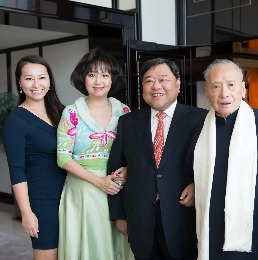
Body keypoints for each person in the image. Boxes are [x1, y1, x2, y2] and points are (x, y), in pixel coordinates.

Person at [108, 57, 208, 260]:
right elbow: (116, 169)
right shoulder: (128, 123)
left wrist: (199, 184)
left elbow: (213, 163)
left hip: (184, 217)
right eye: (149, 80)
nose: (156, 86)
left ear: (178, 84)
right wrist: (119, 215)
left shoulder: (201, 119)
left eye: (163, 79)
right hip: (141, 219)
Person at [57, 48, 134, 260]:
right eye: (92, 74)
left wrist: (127, 169)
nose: (98, 81)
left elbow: (134, 152)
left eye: (104, 75)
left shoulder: (125, 111)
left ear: (112, 80)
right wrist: (99, 182)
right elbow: (63, 157)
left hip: (118, 190)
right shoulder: (71, 112)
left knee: (118, 246)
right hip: (83, 192)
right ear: (83, 78)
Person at [185, 59, 258, 260]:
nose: (224, 93)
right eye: (216, 87)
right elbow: (190, 169)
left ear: (243, 89)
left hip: (252, 222)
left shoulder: (255, 123)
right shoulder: (200, 128)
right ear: (207, 93)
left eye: (231, 85)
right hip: (212, 224)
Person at [3, 55, 66, 260]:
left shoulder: (62, 111)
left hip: (71, 195)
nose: (37, 84)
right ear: (20, 83)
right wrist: (27, 213)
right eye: (29, 78)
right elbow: (17, 171)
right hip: (43, 201)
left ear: (50, 81)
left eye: (42, 77)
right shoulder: (16, 121)